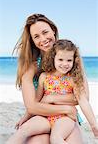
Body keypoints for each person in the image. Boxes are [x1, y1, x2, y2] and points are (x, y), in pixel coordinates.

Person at [6, 14, 89, 144]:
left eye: (45, 32)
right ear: (32, 41)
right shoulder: (31, 68)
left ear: (53, 30)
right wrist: (66, 108)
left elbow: (83, 97)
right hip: (41, 116)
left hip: (67, 119)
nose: (43, 39)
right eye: (36, 36)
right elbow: (32, 107)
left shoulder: (70, 59)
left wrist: (52, 98)